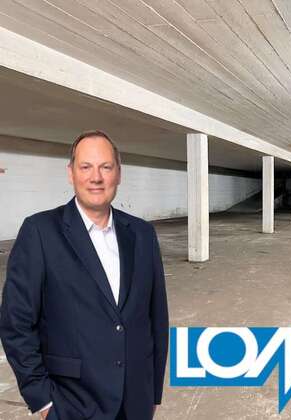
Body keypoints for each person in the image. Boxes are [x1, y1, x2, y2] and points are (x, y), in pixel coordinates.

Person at [0, 130, 169, 420]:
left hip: (136, 402)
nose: (96, 177)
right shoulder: (40, 232)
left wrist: (152, 391)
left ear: (118, 173)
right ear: (71, 173)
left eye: (106, 167)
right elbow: (15, 322)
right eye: (86, 167)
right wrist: (43, 400)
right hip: (71, 403)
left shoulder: (143, 234)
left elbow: (156, 319)